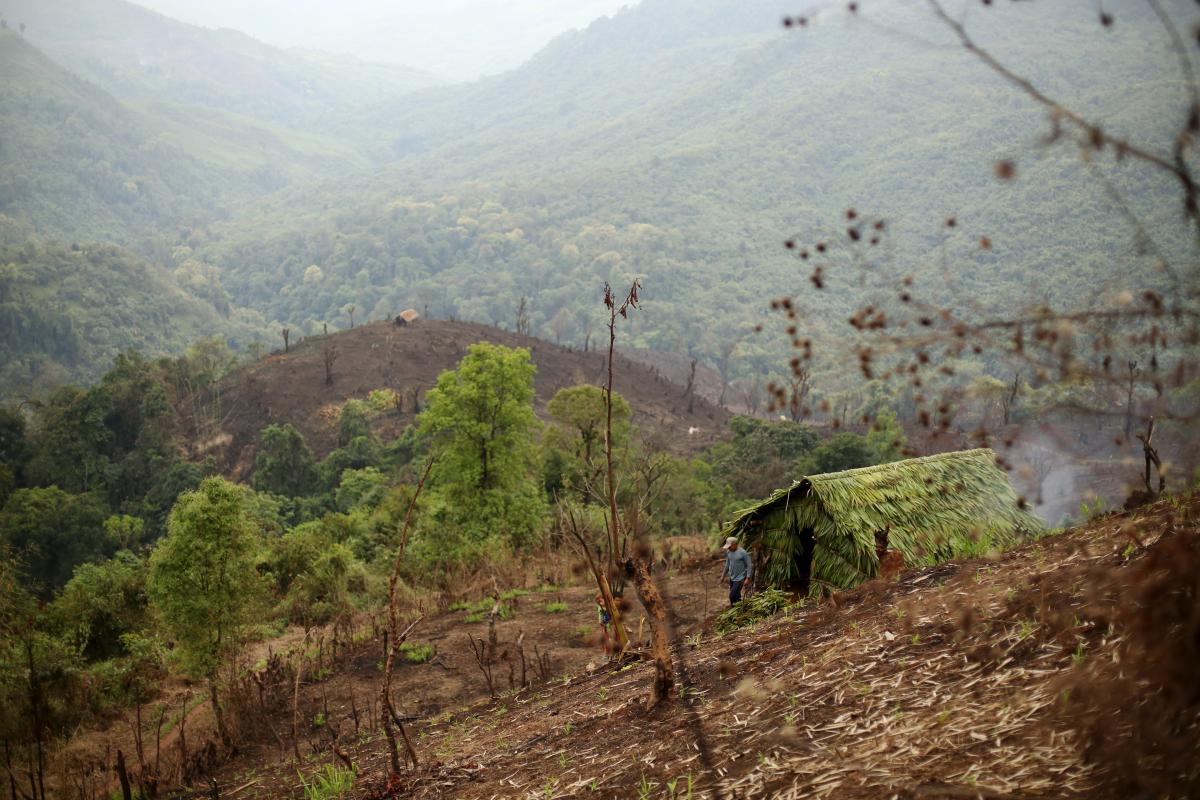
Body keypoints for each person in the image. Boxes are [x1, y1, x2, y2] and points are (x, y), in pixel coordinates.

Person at [720, 536, 753, 605]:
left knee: (732, 596)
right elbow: (727, 564)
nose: (728, 548)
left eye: (730, 546)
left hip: (740, 578)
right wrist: (723, 576)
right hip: (732, 577)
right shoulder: (729, 552)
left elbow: (749, 565)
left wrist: (747, 578)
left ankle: (734, 608)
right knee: (736, 596)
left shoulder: (743, 553)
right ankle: (739, 609)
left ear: (735, 544)